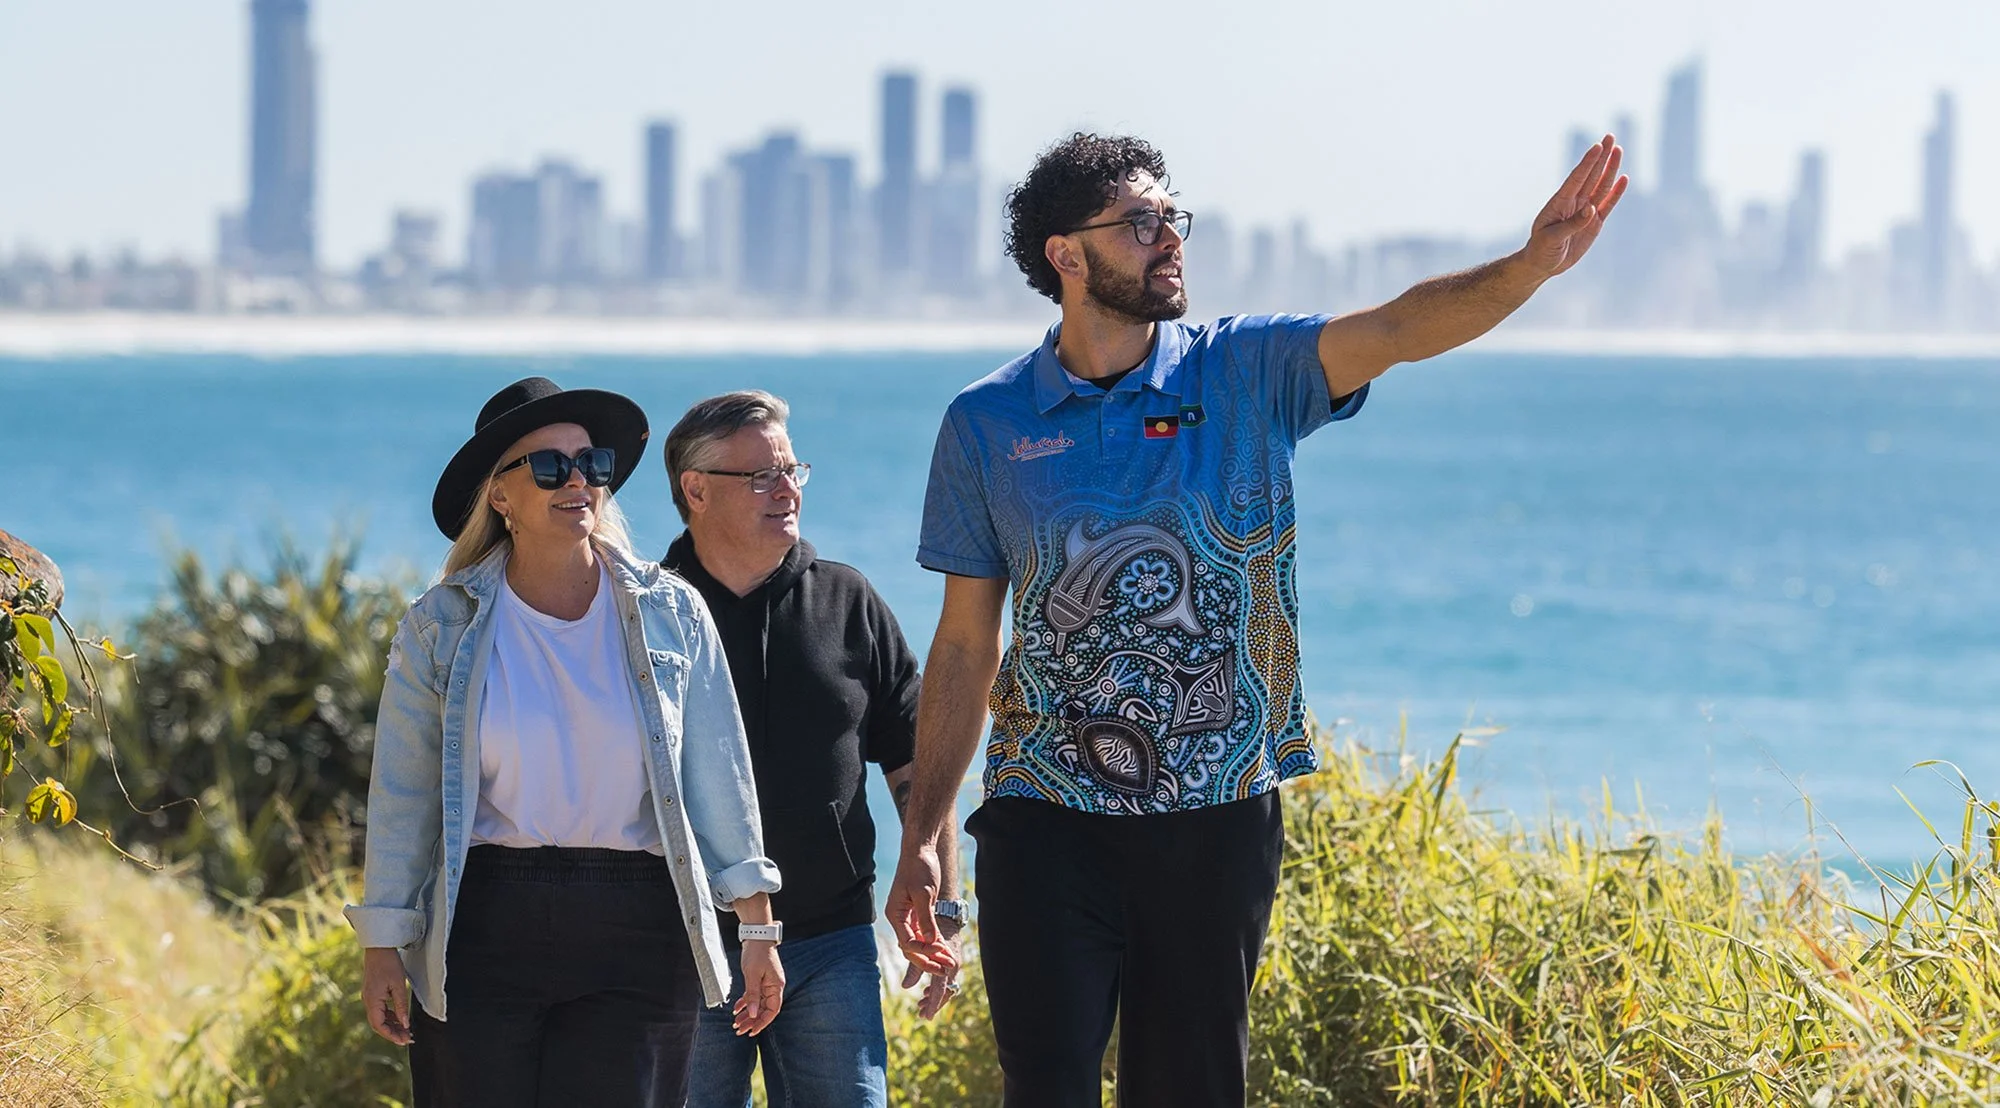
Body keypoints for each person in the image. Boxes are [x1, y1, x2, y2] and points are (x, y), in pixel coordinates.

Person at [886, 133, 1627, 1106]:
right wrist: (924, 831)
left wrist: (1528, 266)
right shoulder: (986, 422)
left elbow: (1399, 327)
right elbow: (963, 642)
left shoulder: (1245, 369)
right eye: (1140, 223)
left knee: (1188, 1090)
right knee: (1045, 1087)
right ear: (1065, 254)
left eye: (1172, 218)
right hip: (1043, 814)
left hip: (1216, 814)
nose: (1169, 239)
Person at [345, 376, 787, 1108]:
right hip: (484, 924)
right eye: (551, 467)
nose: (578, 480)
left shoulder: (673, 612)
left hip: (641, 931)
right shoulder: (440, 625)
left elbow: (720, 776)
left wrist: (758, 931)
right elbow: (404, 794)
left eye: (592, 464)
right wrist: (383, 943)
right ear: (500, 495)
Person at [662, 391, 963, 1108]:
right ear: (695, 490)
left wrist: (946, 906)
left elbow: (918, 761)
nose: (787, 489)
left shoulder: (848, 601)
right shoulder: (651, 613)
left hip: (832, 943)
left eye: (792, 470)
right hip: (685, 946)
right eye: (761, 476)